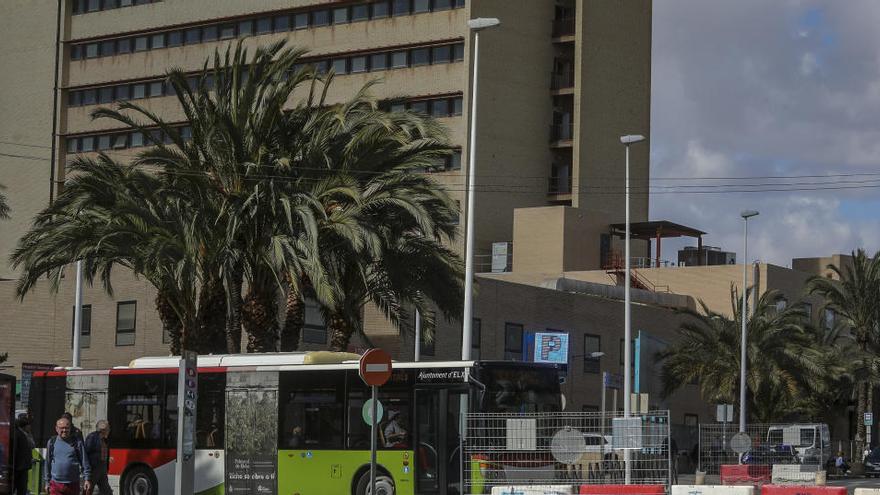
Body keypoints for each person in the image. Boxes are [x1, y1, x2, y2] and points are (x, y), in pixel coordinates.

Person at [44, 416, 91, 495]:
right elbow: (47, 463)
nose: (64, 430)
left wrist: (87, 479)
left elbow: (84, 461)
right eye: (61, 428)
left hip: (73, 484)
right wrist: (47, 482)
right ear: (56, 428)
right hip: (55, 484)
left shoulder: (77, 442)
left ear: (70, 428)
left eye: (67, 428)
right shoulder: (52, 442)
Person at [84, 420, 112, 495]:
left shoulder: (105, 439)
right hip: (93, 468)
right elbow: (86, 454)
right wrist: (88, 469)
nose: (109, 431)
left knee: (106, 491)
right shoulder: (92, 437)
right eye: (108, 429)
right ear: (103, 430)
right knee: (88, 489)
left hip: (102, 468)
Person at [13, 414, 35, 495]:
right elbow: (32, 445)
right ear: (25, 426)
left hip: (21, 466)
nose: (30, 427)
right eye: (29, 425)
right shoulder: (20, 434)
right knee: (21, 488)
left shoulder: (22, 434)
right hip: (19, 467)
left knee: (20, 488)